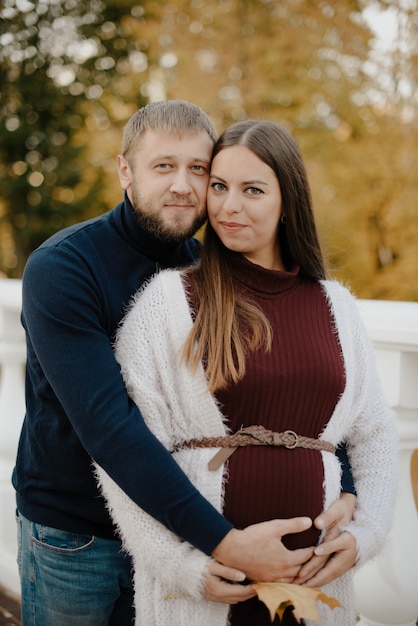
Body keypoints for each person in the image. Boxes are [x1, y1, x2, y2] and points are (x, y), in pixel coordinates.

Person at [13, 100, 355, 626]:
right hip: (77, 534)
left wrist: (346, 483)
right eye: (163, 166)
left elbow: (302, 388)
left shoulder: (208, 272)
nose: (183, 185)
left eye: (199, 169)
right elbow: (110, 428)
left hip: (177, 529)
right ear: (125, 170)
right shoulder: (64, 267)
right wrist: (223, 541)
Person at [95, 119, 398, 625]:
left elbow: (374, 432)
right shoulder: (168, 303)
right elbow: (126, 457)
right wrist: (181, 566)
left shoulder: (336, 306)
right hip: (208, 588)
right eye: (219, 187)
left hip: (315, 584)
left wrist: (366, 535)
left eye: (252, 190)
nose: (227, 207)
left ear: (288, 200)